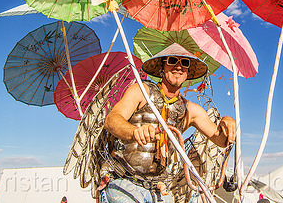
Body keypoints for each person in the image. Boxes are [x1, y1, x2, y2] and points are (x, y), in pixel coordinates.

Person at [100, 43, 236, 203]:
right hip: (124, 181)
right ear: (162, 67)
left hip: (159, 187)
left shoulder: (190, 110)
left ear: (188, 73)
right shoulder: (142, 91)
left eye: (185, 63)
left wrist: (228, 121)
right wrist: (134, 131)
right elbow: (111, 120)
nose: (179, 67)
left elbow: (221, 139)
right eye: (172, 61)